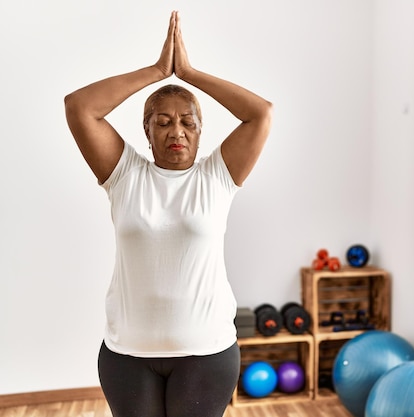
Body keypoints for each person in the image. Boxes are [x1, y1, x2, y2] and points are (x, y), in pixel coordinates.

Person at [64, 11, 272, 417]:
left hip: (207, 354)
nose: (176, 131)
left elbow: (260, 113)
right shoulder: (123, 173)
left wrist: (189, 73)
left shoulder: (218, 175)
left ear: (200, 130)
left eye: (187, 122)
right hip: (127, 354)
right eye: (163, 122)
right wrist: (158, 71)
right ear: (146, 130)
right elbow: (79, 107)